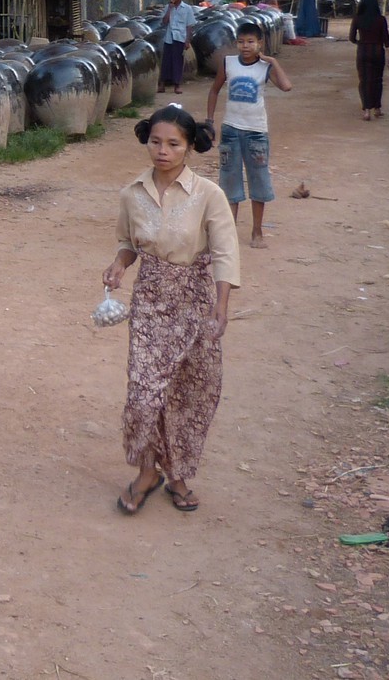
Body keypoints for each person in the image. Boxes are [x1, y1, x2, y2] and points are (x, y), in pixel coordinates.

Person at [107, 104, 238, 516]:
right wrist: (118, 266)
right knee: (145, 392)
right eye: (156, 142)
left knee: (189, 392)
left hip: (196, 301)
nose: (163, 151)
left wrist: (221, 306)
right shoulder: (132, 193)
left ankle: (177, 474)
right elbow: (128, 244)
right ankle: (147, 471)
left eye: (173, 144)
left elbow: (225, 252)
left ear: (189, 147)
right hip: (150, 301)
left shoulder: (208, 195)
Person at [206, 22, 293, 249]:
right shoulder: (228, 63)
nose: (245, 46)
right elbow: (214, 90)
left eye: (251, 42)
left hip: (256, 132)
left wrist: (272, 61)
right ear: (236, 43)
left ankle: (257, 230)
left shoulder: (265, 67)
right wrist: (209, 121)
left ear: (260, 43)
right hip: (231, 130)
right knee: (230, 181)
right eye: (241, 42)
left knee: (258, 180)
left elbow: (286, 86)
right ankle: (229, 231)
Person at [348, 0, 389, 121]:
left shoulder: (357, 18)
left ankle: (367, 111)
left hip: (363, 51)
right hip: (378, 51)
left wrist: (360, 43)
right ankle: (377, 109)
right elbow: (386, 39)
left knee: (364, 81)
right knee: (377, 80)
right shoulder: (381, 19)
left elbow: (351, 38)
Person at [157, 0, 199, 95]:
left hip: (180, 37)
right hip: (169, 38)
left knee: (178, 62)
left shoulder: (187, 9)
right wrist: (170, 9)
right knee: (166, 61)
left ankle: (177, 84)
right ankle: (162, 83)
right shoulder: (168, 7)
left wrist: (187, 40)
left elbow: (189, 26)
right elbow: (164, 22)